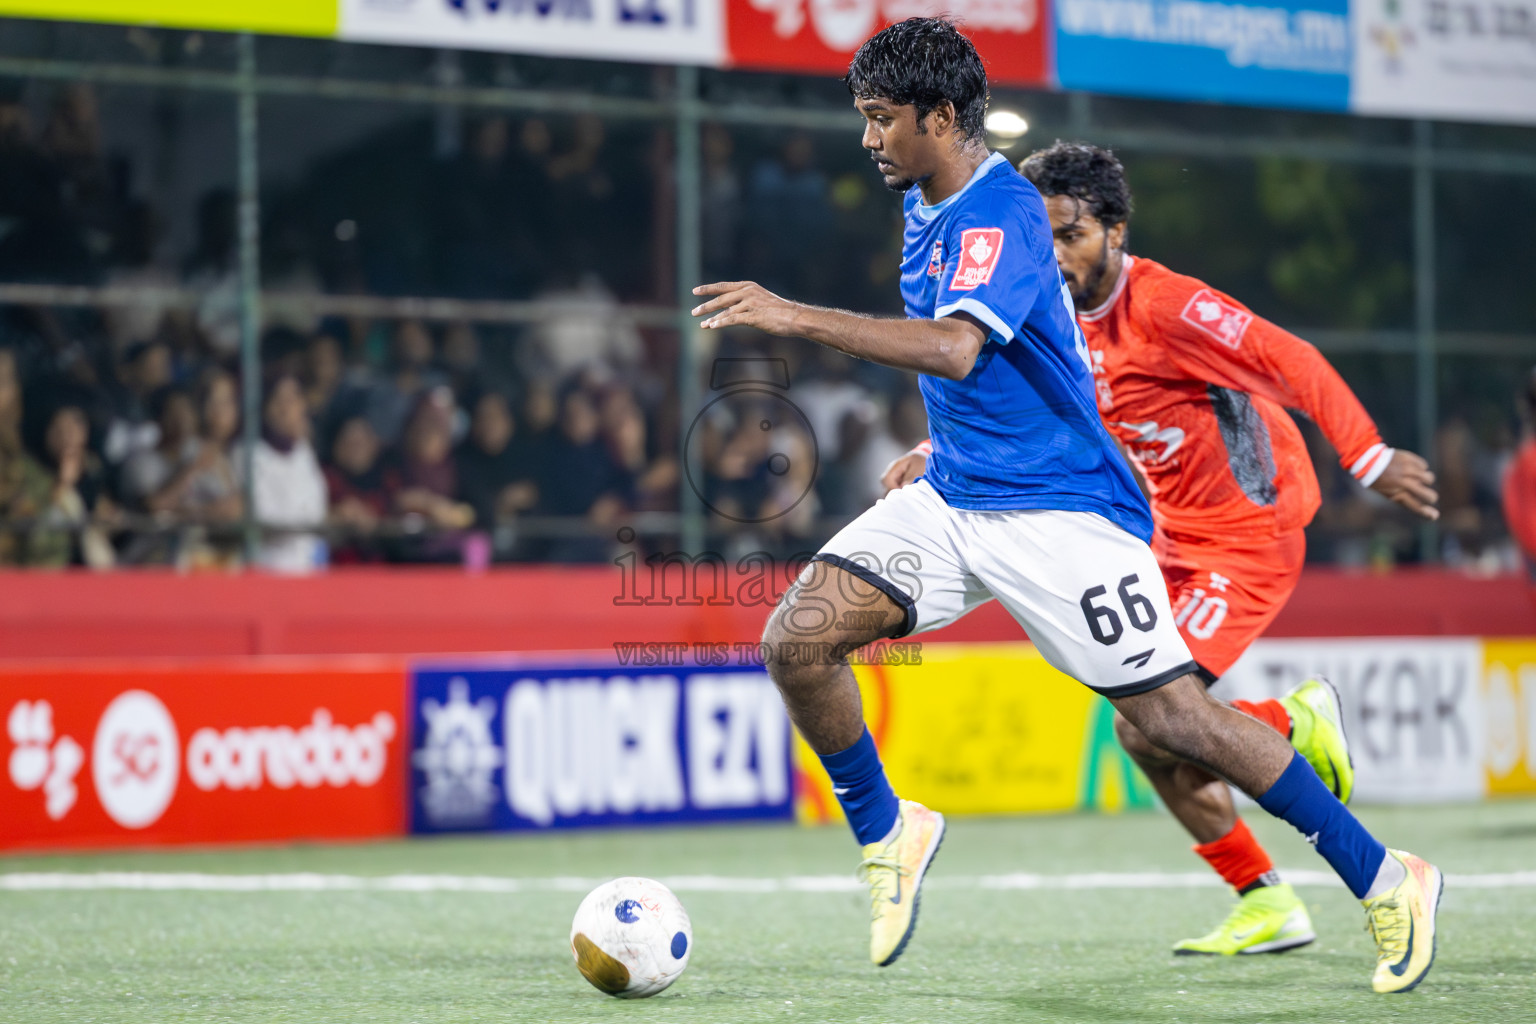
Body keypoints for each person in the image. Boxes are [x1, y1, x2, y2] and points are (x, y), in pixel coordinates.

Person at [689, 18, 1441, 994]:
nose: (868, 139)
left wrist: (791, 315)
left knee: (1177, 722)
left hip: (1064, 518)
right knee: (799, 638)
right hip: (960, 494)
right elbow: (1007, 374)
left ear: (941, 114)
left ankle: (1388, 875)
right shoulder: (928, 197)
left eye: (881, 120)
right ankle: (891, 830)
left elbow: (959, 347)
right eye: (864, 119)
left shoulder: (1000, 210)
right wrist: (932, 447)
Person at [880, 140, 1443, 961]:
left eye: (1071, 234)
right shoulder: (1048, 306)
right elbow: (1023, 406)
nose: (1058, 255)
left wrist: (1370, 457)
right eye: (1045, 238)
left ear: (1114, 229)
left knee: (1154, 725)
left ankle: (1293, 722)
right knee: (1140, 726)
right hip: (1161, 536)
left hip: (1245, 538)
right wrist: (935, 455)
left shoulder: (1170, 306)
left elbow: (1290, 358)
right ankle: (1265, 901)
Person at [234, 374, 327, 574]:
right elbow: (265, 518)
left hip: (309, 572)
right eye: (278, 401)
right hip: (267, 572)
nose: (286, 410)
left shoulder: (304, 452)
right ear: (265, 409)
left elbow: (316, 512)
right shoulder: (248, 453)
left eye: (293, 401)